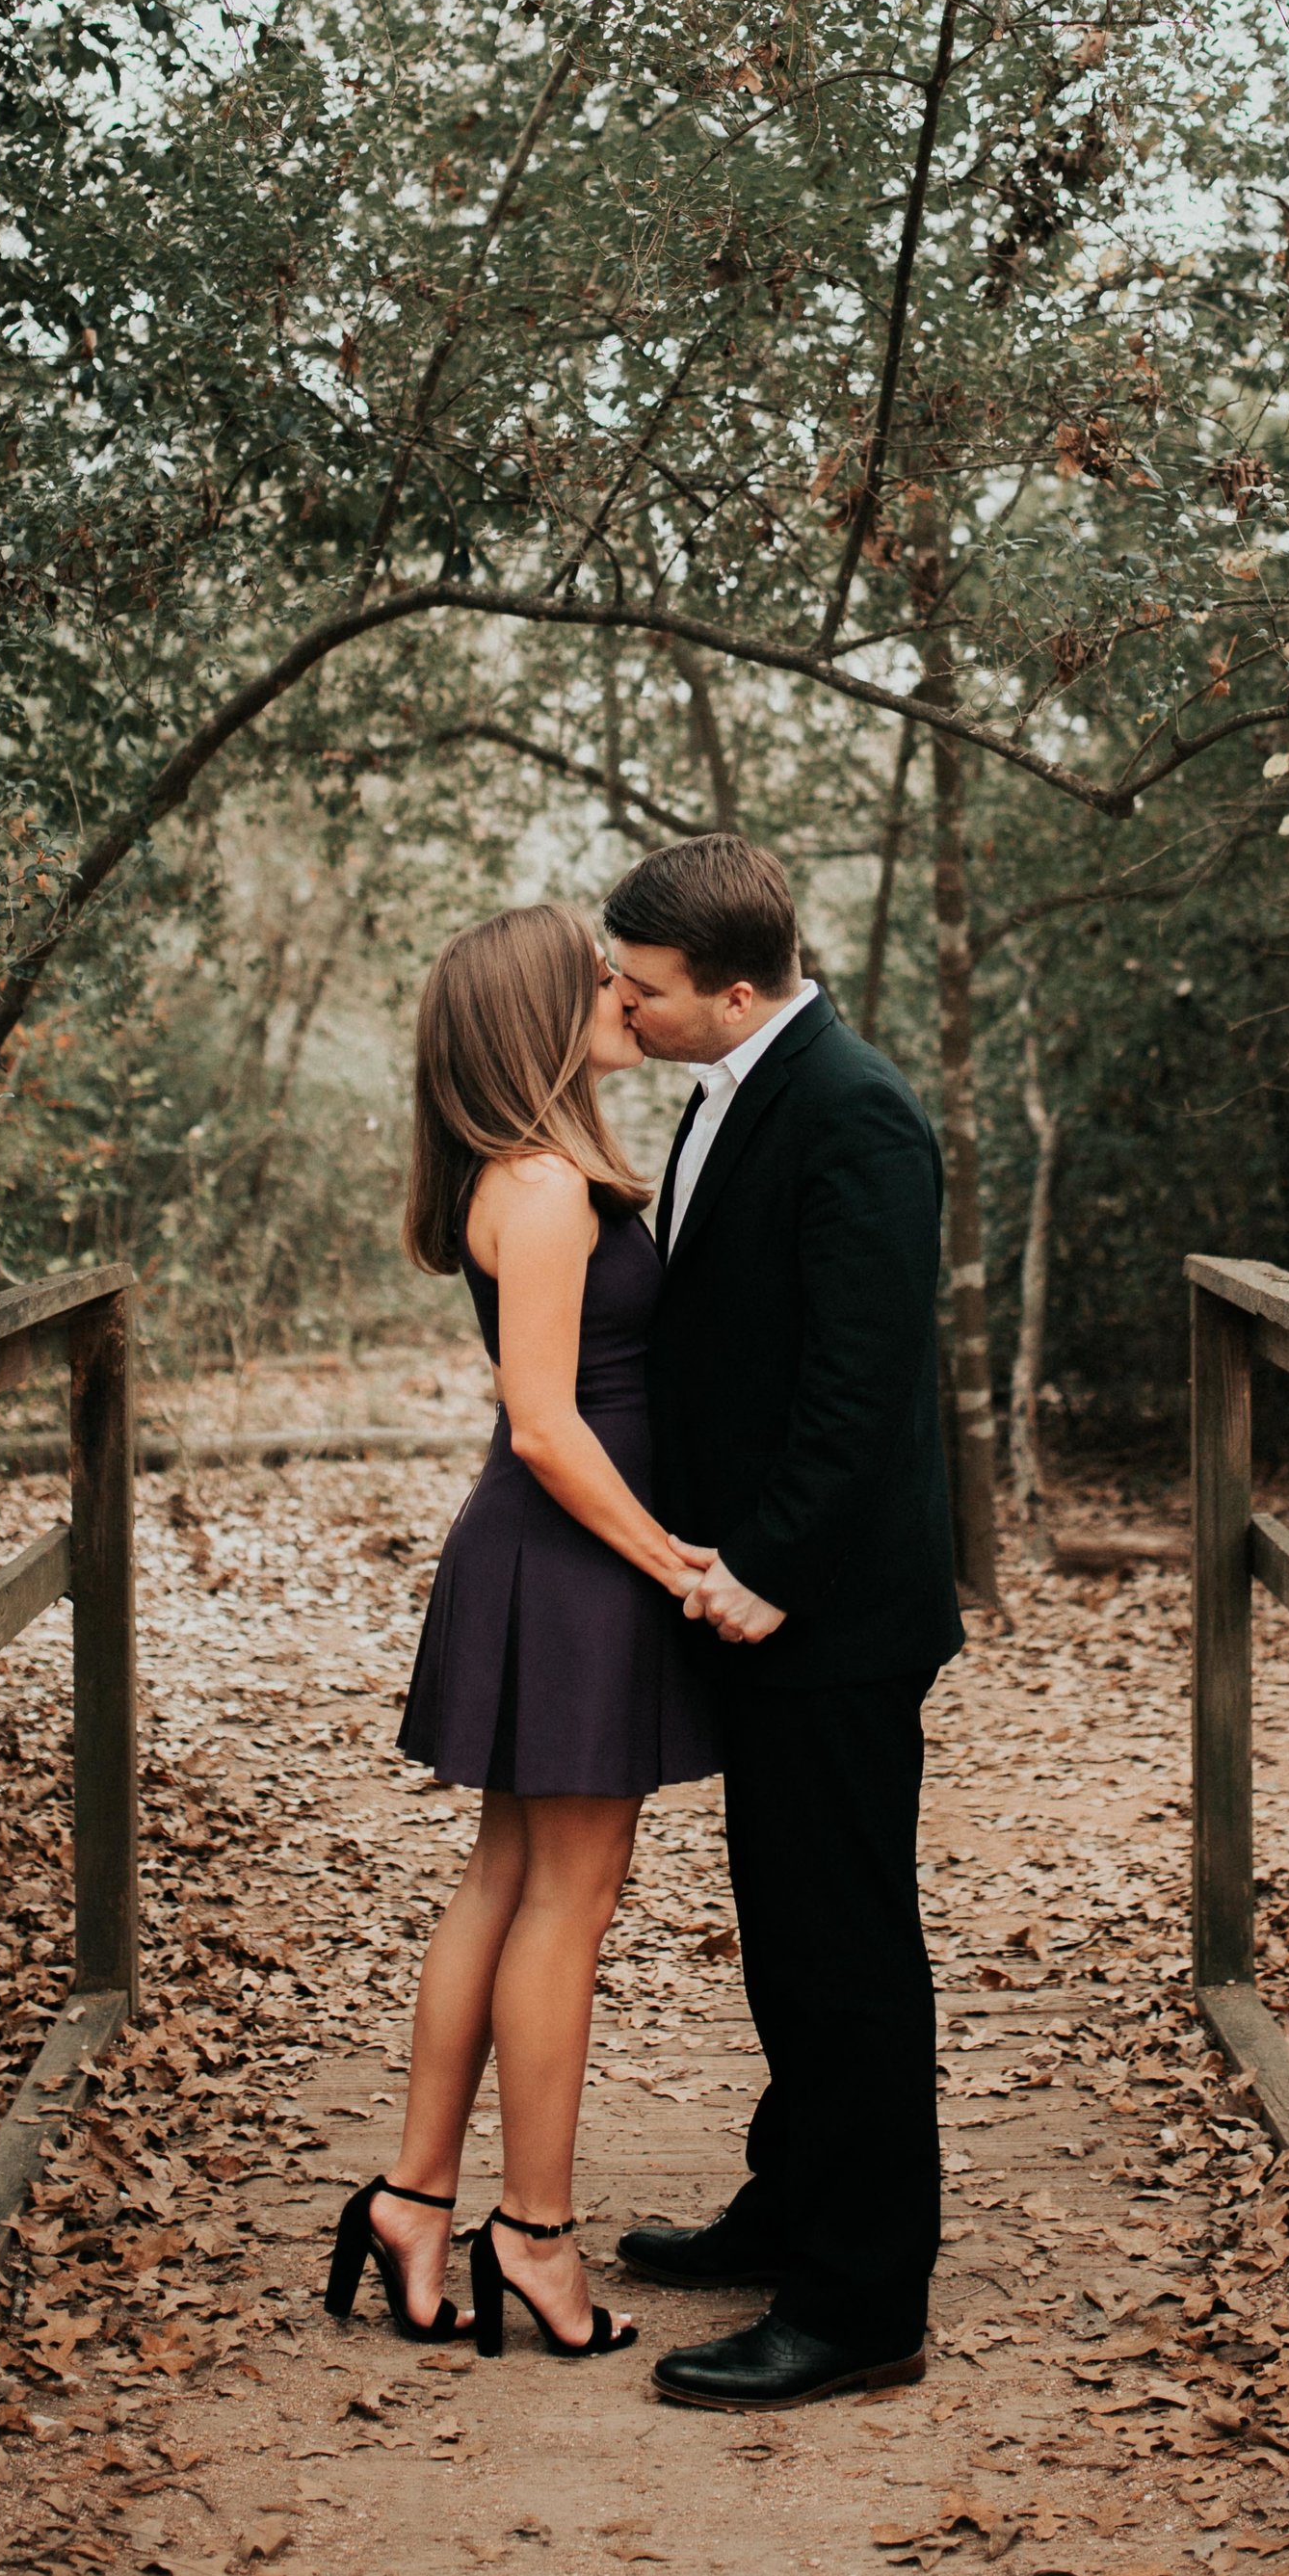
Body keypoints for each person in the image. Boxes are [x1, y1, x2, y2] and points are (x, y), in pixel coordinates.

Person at [325, 902, 718, 2365]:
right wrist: (669, 1559)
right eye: (595, 979)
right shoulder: (548, 1186)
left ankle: (416, 2201)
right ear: (537, 1017)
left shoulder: (533, 1171)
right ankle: (533, 2236)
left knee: (507, 1873)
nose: (620, 991)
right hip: (569, 1555)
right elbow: (548, 1426)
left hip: (546, 1554)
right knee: (569, 1891)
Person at [602, 831, 962, 2411]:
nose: (621, 1005)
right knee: (788, 1933)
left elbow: (860, 1386)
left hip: (826, 1612)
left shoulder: (858, 1111)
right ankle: (790, 2199)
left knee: (848, 1950)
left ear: (735, 988)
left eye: (644, 988)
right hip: (760, 1603)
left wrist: (765, 1561)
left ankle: (862, 2300)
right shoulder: (730, 1085)